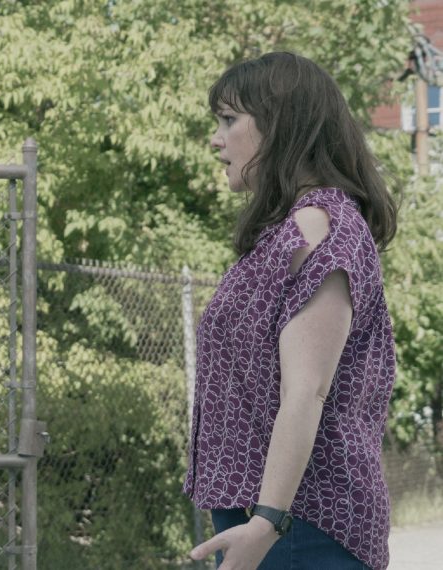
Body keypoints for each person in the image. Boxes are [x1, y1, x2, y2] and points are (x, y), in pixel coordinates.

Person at [184, 52, 398, 570]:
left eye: (229, 120)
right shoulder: (293, 230)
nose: (216, 139)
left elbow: (307, 388)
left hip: (299, 524)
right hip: (271, 518)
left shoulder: (318, 227)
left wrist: (266, 522)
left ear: (280, 125)